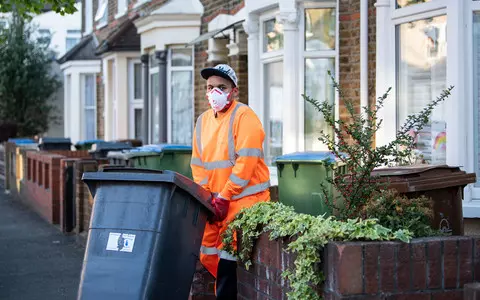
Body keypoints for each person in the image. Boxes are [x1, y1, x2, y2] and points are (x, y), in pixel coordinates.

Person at [191, 64, 271, 299]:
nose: (214, 92)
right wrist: (208, 197)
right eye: (210, 87)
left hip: (244, 200)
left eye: (221, 87)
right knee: (207, 252)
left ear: (234, 90)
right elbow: (198, 164)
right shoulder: (203, 121)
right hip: (216, 203)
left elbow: (246, 162)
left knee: (228, 255)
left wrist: (225, 196)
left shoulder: (244, 116)